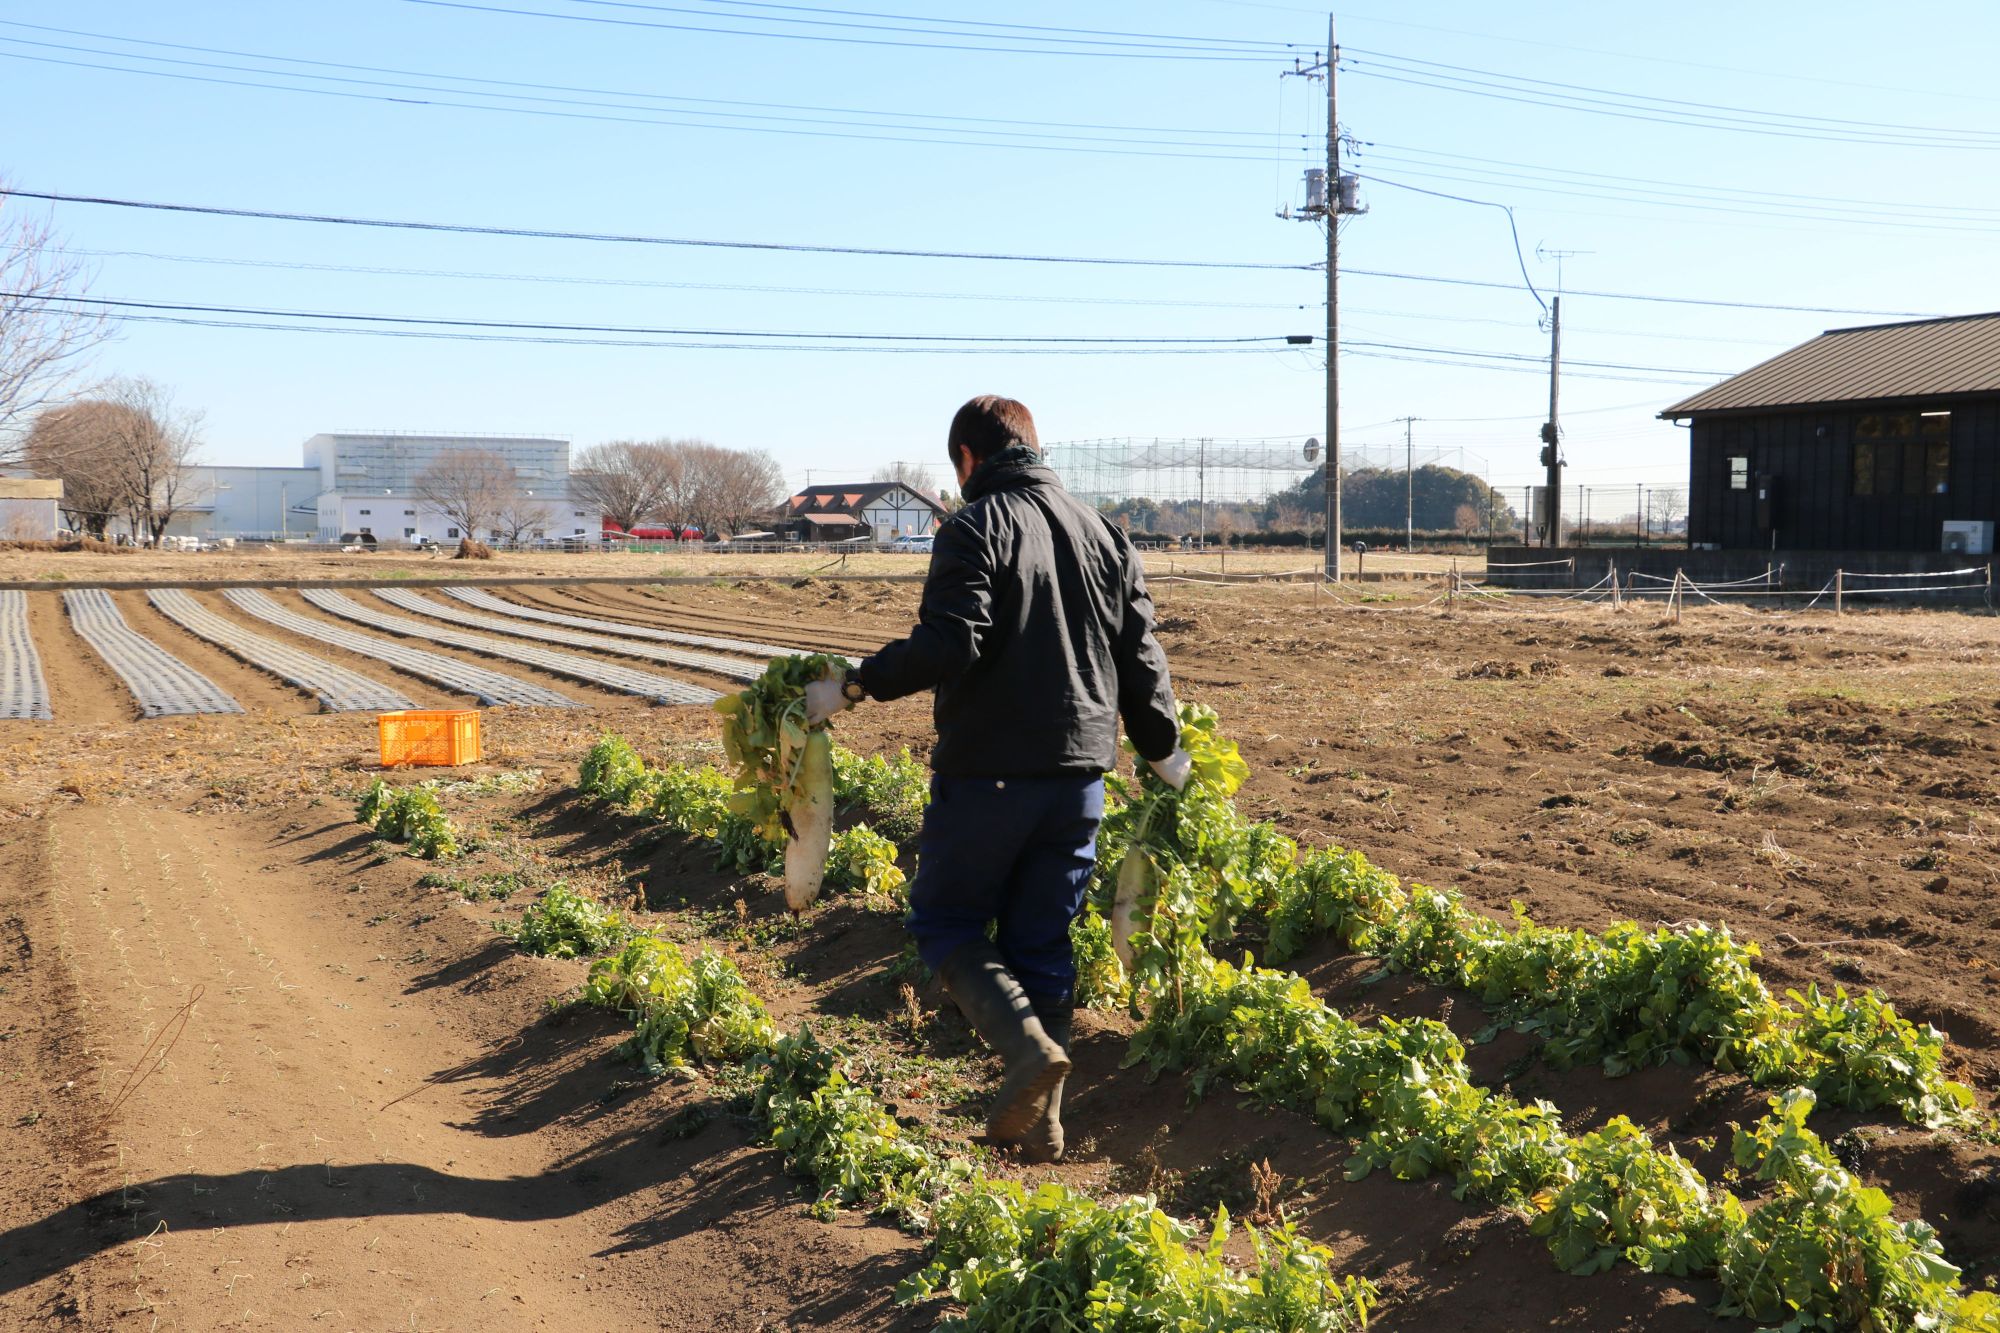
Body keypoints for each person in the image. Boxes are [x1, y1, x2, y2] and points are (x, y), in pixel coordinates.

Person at [805, 395, 1189, 1163]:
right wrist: (1165, 753)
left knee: (945, 922)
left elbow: (951, 642)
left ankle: (1025, 1050)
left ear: (968, 461)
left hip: (991, 771)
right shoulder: (1106, 533)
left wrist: (852, 685)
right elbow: (1141, 658)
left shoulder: (975, 526)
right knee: (1042, 939)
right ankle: (1045, 1126)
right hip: (1082, 772)